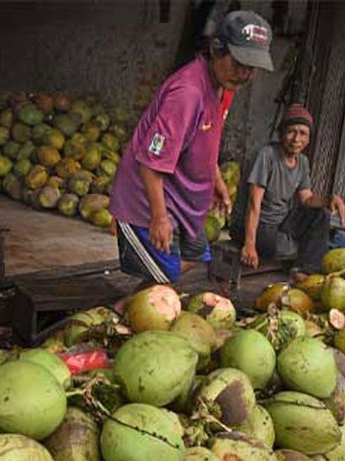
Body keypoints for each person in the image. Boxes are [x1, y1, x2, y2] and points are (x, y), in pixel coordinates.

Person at [108, 11, 274, 285]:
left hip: (184, 203)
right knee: (164, 280)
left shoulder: (224, 88)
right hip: (147, 201)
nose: (244, 73)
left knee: (197, 256)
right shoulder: (187, 94)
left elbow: (205, 139)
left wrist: (216, 179)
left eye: (252, 67)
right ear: (217, 49)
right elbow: (150, 163)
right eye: (239, 62)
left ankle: (147, 296)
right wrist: (159, 218)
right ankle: (125, 311)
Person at [230, 104, 345, 275]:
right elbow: (254, 203)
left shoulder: (302, 162)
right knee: (282, 247)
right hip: (256, 224)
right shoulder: (267, 155)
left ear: (308, 139)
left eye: (303, 133)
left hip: (281, 221)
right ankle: (310, 251)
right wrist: (249, 244)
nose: (296, 139)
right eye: (291, 131)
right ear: (281, 133)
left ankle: (305, 271)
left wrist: (329, 199)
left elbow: (306, 199)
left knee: (320, 216)